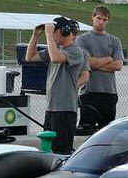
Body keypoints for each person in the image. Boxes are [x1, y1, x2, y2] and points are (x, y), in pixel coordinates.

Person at [25, 17, 85, 154]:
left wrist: (48, 35)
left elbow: (56, 59)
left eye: (53, 32)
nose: (51, 35)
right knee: (48, 149)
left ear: (63, 32)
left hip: (65, 110)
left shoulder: (75, 51)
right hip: (51, 108)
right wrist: (35, 35)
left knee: (61, 151)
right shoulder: (55, 49)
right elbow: (30, 57)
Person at [75, 5, 124, 133]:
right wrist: (108, 59)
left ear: (108, 21)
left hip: (109, 93)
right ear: (92, 18)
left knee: (108, 133)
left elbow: (118, 65)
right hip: (89, 93)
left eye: (104, 19)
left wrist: (95, 63)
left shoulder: (115, 41)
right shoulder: (82, 40)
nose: (101, 21)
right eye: (99, 18)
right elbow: (86, 62)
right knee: (86, 131)